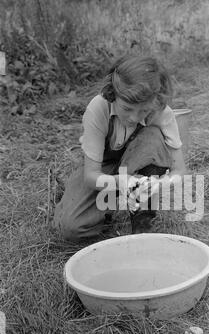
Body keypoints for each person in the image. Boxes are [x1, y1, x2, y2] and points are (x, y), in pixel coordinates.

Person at [53, 54, 187, 240]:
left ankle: (142, 225)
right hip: (105, 168)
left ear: (155, 101)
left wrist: (157, 183)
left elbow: (179, 170)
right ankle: (107, 209)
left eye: (144, 110)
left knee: (153, 137)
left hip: (140, 161)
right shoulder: (98, 108)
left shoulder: (162, 112)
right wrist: (122, 182)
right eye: (127, 108)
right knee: (69, 229)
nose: (134, 118)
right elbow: (92, 176)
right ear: (113, 94)